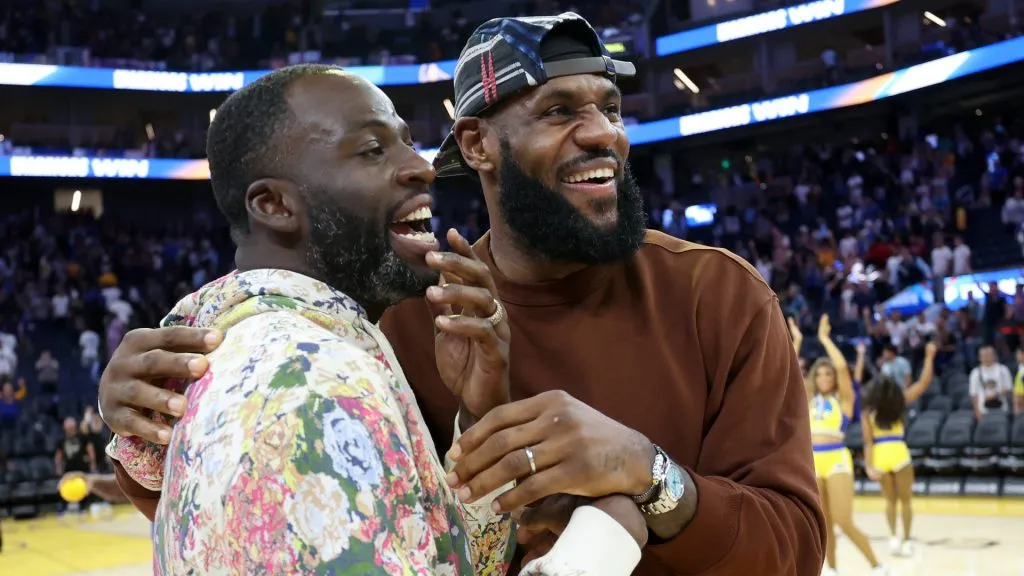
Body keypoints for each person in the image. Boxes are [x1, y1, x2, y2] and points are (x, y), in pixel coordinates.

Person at [98, 13, 824, 575]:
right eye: (559, 111)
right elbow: (270, 519)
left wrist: (649, 474)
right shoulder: (403, 320)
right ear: (476, 145)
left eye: (609, 107)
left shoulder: (718, 295)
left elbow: (795, 549)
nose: (604, 133)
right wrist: (146, 423)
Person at [104, 64, 646, 575]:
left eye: (406, 141)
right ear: (274, 206)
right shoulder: (313, 383)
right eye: (372, 150)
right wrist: (602, 542)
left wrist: (480, 413)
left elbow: (432, 558)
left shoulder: (287, 343)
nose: (422, 167)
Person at [790, 314, 885, 575]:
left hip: (836, 459)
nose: (823, 377)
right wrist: (797, 341)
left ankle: (877, 566)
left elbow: (843, 368)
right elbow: (790, 369)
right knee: (824, 523)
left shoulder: (843, 400)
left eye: (828, 373)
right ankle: (831, 569)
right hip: (812, 461)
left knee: (843, 520)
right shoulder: (808, 398)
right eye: (819, 373)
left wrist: (824, 338)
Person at [862, 341, 937, 558]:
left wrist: (868, 466)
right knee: (906, 500)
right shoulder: (900, 401)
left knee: (890, 501)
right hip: (898, 451)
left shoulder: (868, 410)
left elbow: (868, 442)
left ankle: (893, 538)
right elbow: (923, 383)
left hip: (880, 454)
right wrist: (929, 357)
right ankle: (906, 539)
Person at [968, 345, 1013, 417]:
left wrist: (996, 395)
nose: (986, 358)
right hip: (983, 411)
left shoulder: (1003, 369)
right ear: (979, 357)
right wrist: (977, 413)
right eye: (984, 355)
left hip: (1002, 409)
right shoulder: (975, 373)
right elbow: (974, 395)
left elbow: (1009, 389)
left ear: (994, 355)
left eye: (989, 355)